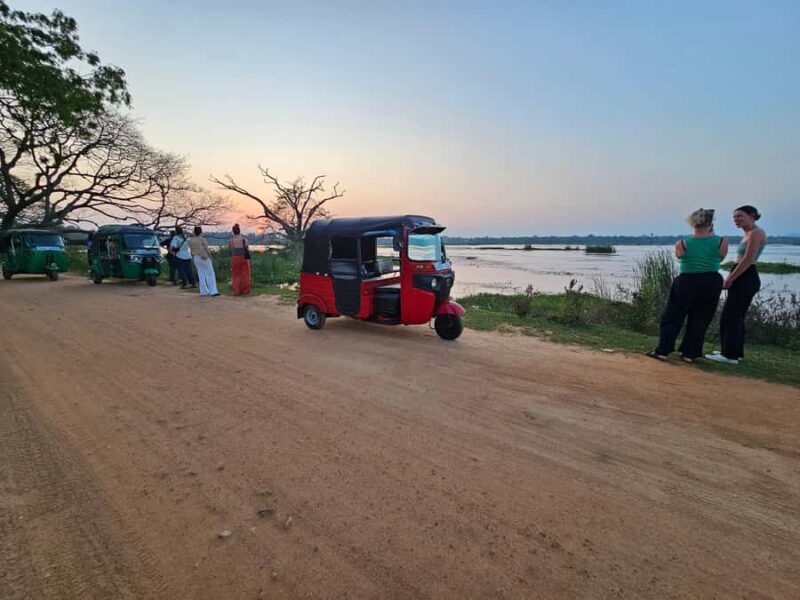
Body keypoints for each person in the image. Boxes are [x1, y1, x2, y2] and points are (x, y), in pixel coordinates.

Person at [648, 208, 728, 363]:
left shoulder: (682, 243)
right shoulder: (721, 242)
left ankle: (663, 350)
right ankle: (690, 353)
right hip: (711, 281)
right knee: (701, 318)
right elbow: (721, 257)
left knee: (673, 315)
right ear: (711, 224)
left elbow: (679, 257)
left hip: (687, 281)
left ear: (692, 223)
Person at [706, 205, 767, 364]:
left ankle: (729, 355)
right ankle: (735, 352)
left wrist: (730, 278)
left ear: (752, 215)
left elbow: (748, 260)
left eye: (740, 216)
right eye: (734, 217)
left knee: (730, 316)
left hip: (745, 276)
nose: (736, 220)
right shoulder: (749, 233)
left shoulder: (756, 233)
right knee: (736, 316)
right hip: (743, 275)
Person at [190, 226, 219, 297]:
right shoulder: (202, 239)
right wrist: (210, 256)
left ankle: (203, 291)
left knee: (201, 274)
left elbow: (191, 250)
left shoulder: (192, 240)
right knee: (210, 274)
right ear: (201, 232)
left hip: (196, 257)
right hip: (204, 257)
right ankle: (213, 291)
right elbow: (206, 248)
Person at [228, 223, 251, 296]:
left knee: (236, 274)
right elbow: (247, 246)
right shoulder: (244, 239)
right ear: (239, 230)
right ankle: (245, 289)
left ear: (233, 231)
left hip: (235, 257)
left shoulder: (231, 240)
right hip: (244, 257)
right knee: (245, 274)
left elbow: (230, 247)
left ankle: (237, 290)